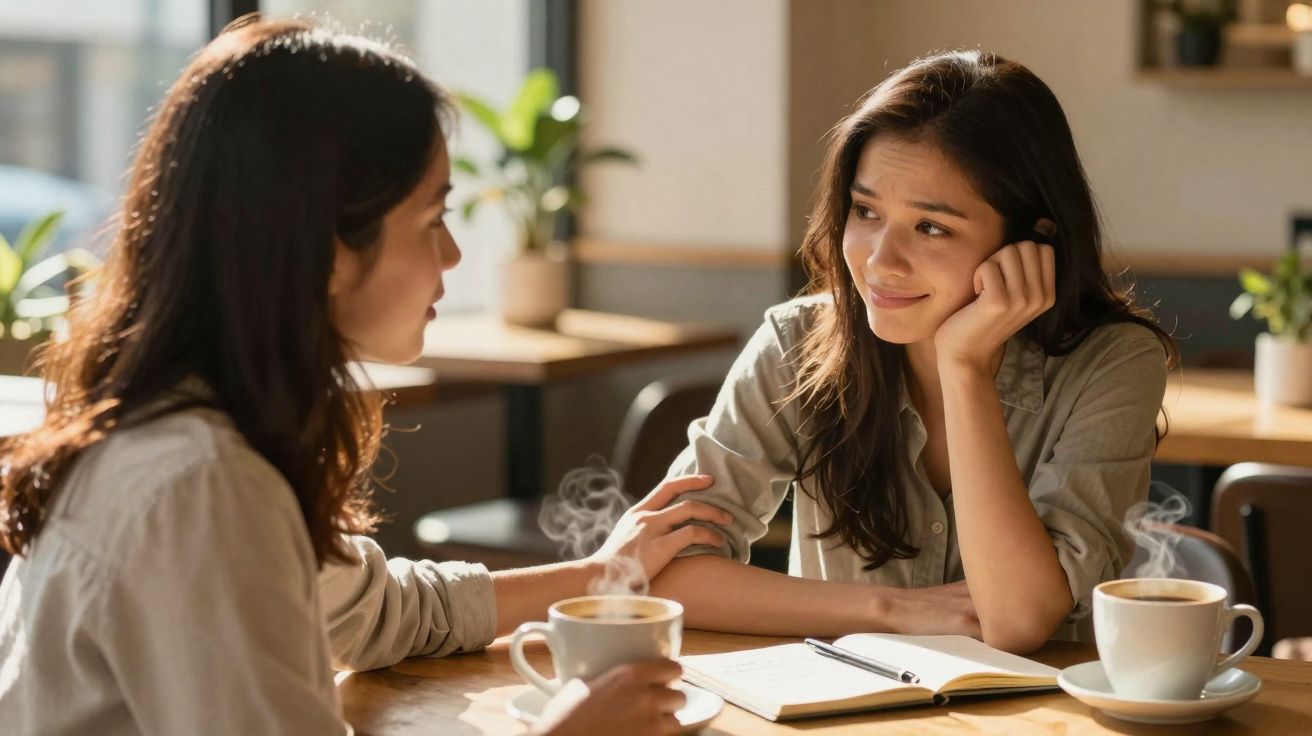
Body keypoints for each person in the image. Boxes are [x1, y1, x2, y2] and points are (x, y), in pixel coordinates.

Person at [0, 17, 730, 736]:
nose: (452, 257)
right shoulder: (202, 486)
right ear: (326, 251)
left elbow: (374, 610)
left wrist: (597, 572)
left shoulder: (191, 433)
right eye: (431, 219)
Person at [646, 50, 1178, 654]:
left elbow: (1017, 621)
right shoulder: (797, 342)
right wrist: (890, 609)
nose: (879, 261)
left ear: (1032, 242)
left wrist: (964, 366)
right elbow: (661, 571)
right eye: (866, 211)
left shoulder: (1113, 363)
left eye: (931, 227)